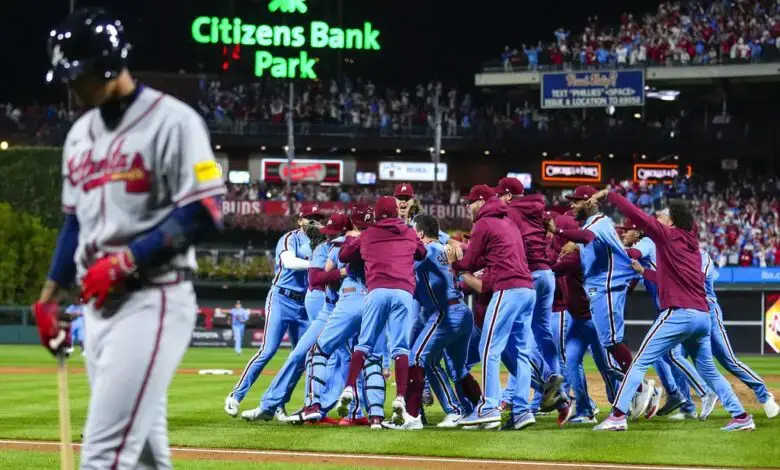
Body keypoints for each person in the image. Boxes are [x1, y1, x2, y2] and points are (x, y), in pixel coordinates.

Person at [34, 8, 225, 469]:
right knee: (144, 458)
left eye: (75, 76)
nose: (70, 88)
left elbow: (205, 210)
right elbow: (74, 223)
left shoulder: (172, 121)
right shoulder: (79, 134)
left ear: (106, 65)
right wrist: (49, 296)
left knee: (103, 456)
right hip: (96, 307)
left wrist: (127, 262)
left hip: (151, 299)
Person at [591, 192, 754, 432]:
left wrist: (611, 195)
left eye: (663, 214)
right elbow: (669, 277)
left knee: (638, 362)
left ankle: (617, 416)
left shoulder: (667, 235)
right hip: (702, 316)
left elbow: (637, 215)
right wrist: (644, 272)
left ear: (673, 221)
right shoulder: (693, 245)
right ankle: (741, 416)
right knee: (709, 371)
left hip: (679, 313)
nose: (658, 216)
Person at [452, 186, 557, 430]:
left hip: (508, 289)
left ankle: (489, 406)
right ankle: (521, 411)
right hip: (527, 289)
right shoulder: (508, 220)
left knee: (488, 348)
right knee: (520, 352)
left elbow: (469, 262)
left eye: (470, 202)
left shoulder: (485, 222)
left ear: (480, 201)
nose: (468, 206)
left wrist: (453, 262)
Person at [240, 213, 351, 423]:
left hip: (345, 305)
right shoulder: (325, 247)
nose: (326, 235)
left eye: (331, 232)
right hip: (326, 304)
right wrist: (341, 272)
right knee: (300, 355)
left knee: (342, 356)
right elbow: (316, 277)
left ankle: (329, 408)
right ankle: (271, 404)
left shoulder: (352, 246)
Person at [224, 204, 323, 417]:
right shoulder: (290, 238)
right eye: (309, 217)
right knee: (267, 351)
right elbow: (288, 262)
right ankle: (236, 395)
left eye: (317, 217)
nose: (313, 221)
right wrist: (317, 264)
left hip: (305, 303)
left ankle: (279, 403)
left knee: (301, 357)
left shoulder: (322, 242)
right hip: (281, 298)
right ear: (300, 220)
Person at [385, 215, 481, 430]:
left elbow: (405, 263)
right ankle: (477, 411)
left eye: (412, 230)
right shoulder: (441, 248)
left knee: (417, 357)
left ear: (419, 233)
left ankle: (413, 416)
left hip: (444, 312)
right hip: (460, 310)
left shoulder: (427, 250)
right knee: (455, 369)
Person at [336, 196, 426, 423]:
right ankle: (400, 398)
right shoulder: (407, 231)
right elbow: (422, 253)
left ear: (376, 214)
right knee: (400, 348)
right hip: (403, 292)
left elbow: (343, 256)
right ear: (395, 212)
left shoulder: (367, 234)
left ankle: (348, 388)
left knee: (364, 343)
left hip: (376, 290)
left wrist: (351, 237)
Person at [620, 217, 716, 420]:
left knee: (671, 355)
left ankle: (703, 391)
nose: (623, 233)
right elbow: (636, 277)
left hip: (676, 309)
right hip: (670, 309)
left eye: (626, 230)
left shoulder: (645, 243)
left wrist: (614, 250)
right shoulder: (653, 247)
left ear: (637, 233)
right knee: (662, 357)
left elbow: (635, 255)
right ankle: (683, 402)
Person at [552, 187, 644, 395]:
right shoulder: (591, 227)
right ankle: (629, 391)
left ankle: (641, 387)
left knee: (610, 346)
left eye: (577, 201)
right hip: (600, 290)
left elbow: (586, 237)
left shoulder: (600, 223)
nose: (572, 205)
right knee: (594, 354)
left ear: (590, 203)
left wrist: (557, 231)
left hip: (609, 287)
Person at [302, 206, 388, 429]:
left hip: (350, 298)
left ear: (353, 223)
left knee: (318, 351)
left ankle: (312, 406)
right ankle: (376, 416)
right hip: (376, 299)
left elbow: (324, 274)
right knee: (371, 359)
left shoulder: (342, 243)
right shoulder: (384, 240)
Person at [495, 177, 562, 408]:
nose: (498, 200)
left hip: (529, 275)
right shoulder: (539, 210)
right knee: (543, 333)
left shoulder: (511, 212)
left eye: (500, 195)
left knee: (517, 340)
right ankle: (555, 380)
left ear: (509, 196)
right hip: (547, 275)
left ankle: (514, 395)